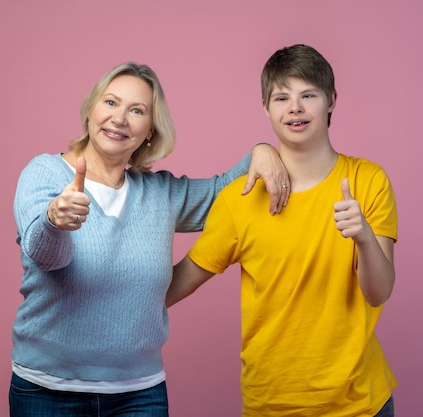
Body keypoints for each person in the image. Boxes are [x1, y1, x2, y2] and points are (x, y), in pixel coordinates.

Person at [9, 61, 290, 417]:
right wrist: (55, 220)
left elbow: (227, 192)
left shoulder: (160, 195)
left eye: (137, 110)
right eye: (110, 103)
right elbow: (45, 256)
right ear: (91, 111)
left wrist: (262, 149)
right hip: (46, 390)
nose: (120, 118)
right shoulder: (45, 173)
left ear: (151, 132)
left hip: (139, 394)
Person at [166, 44, 398, 417]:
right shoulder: (239, 199)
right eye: (282, 97)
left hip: (361, 403)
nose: (295, 108)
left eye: (308, 95)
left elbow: (378, 292)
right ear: (266, 107)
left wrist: (365, 238)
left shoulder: (367, 180)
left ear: (331, 100)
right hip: (271, 404)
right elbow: (174, 286)